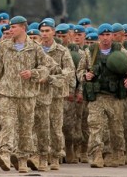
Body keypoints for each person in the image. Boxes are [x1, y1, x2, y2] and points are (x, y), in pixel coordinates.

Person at [0, 16, 57, 173]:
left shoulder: (35, 47)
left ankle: (23, 159)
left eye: (14, 27)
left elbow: (47, 67)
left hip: (27, 95)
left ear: (23, 28)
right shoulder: (4, 45)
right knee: (7, 123)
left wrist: (33, 73)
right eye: (10, 27)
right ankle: (4, 154)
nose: (10, 30)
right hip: (7, 92)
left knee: (26, 128)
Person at [76, 23, 127, 168]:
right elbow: (79, 71)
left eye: (108, 35)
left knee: (116, 128)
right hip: (97, 96)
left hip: (114, 96)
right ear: (99, 37)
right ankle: (96, 155)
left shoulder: (120, 50)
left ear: (112, 36)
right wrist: (85, 76)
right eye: (102, 35)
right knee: (96, 126)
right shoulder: (90, 52)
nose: (105, 38)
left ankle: (115, 154)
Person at [34, 19, 75, 171]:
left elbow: (69, 71)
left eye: (47, 31)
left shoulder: (62, 51)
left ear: (53, 32)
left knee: (55, 127)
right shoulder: (35, 49)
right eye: (42, 31)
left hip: (56, 94)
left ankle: (56, 155)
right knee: (39, 126)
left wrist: (52, 79)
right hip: (38, 93)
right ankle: (41, 156)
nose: (44, 34)